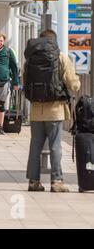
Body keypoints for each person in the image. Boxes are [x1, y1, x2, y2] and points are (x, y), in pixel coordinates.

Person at [24, 29, 80, 192]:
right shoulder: (61, 57)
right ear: (54, 41)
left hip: (35, 109)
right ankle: (56, 181)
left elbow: (24, 78)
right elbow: (72, 83)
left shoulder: (30, 58)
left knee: (35, 145)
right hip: (55, 109)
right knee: (55, 145)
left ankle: (33, 182)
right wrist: (76, 85)